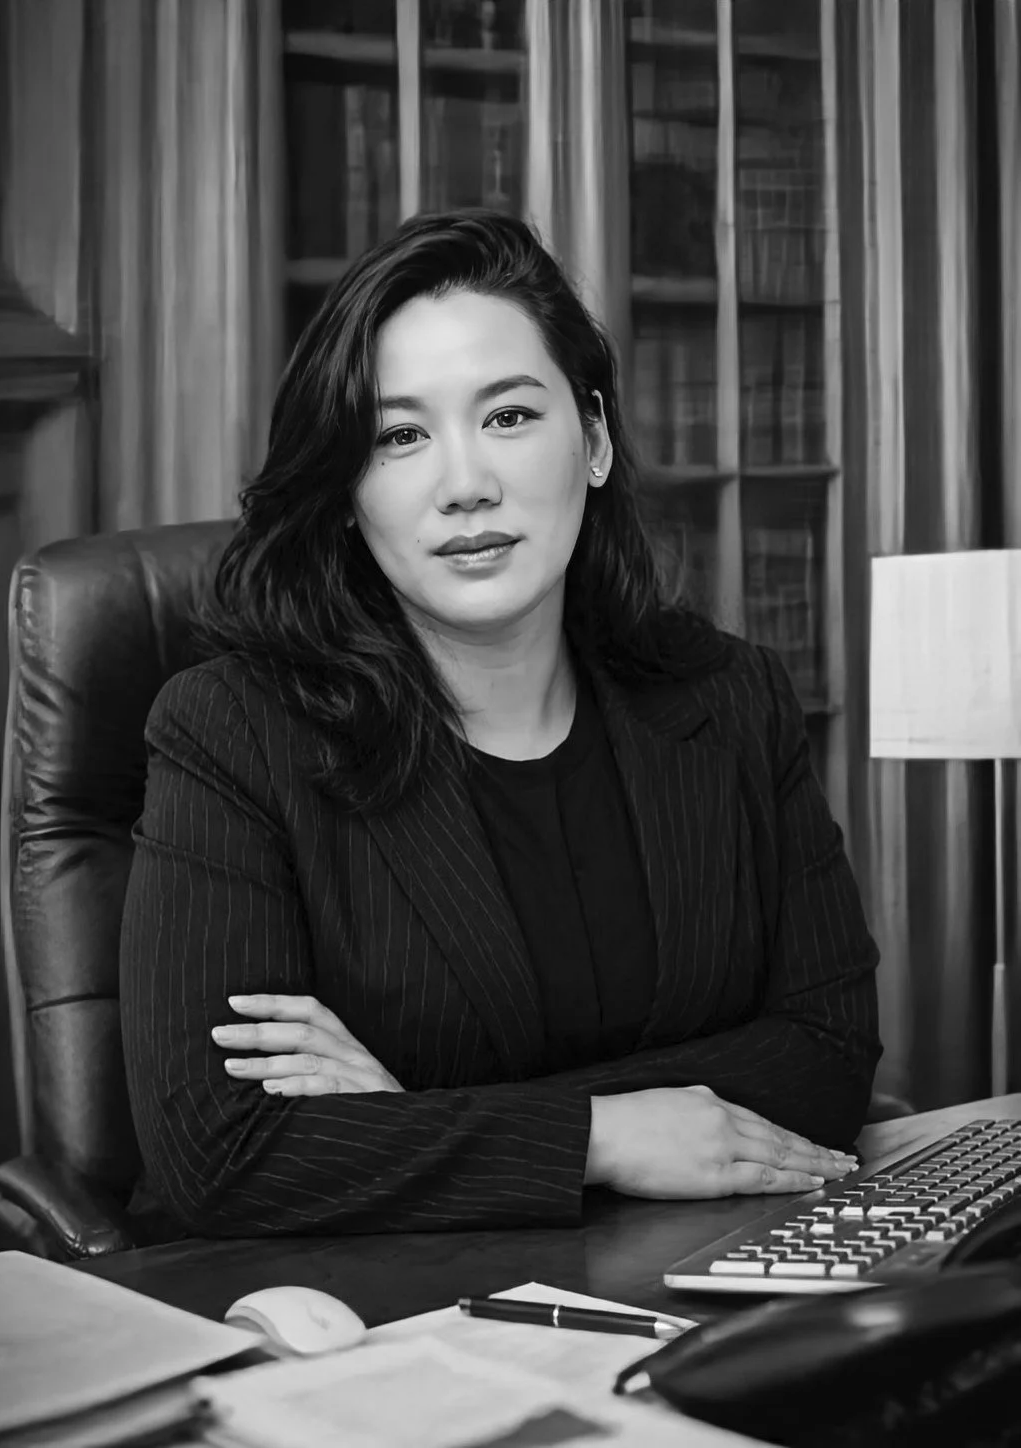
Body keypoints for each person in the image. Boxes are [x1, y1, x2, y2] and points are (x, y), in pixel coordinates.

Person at [119, 208, 881, 1240]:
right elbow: (219, 1152)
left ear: (596, 438)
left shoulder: (728, 696)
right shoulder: (234, 735)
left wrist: (413, 1112)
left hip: (686, 1280)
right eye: (399, 436)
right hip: (362, 1330)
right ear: (347, 491)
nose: (465, 484)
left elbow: (830, 1051)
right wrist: (602, 1135)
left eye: (510, 416)